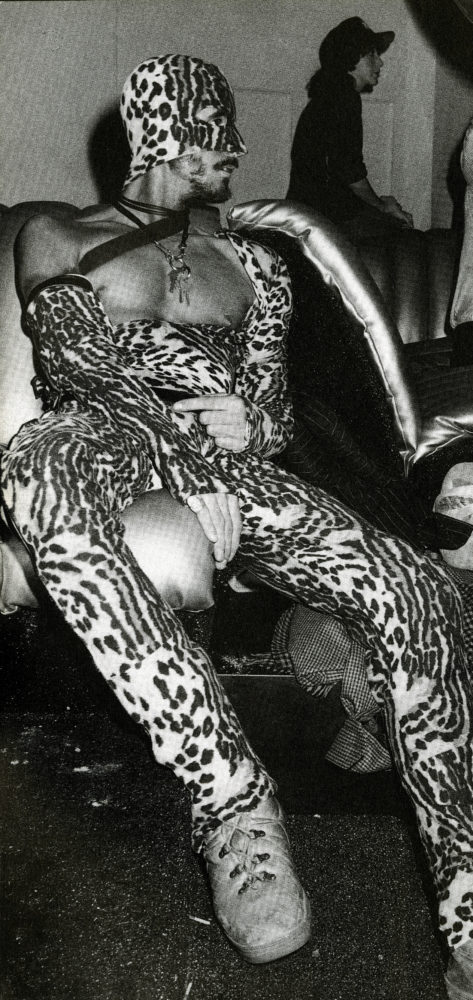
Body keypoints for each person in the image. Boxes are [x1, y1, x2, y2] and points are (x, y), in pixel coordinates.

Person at [1, 54, 473, 994]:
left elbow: (273, 408)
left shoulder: (256, 262)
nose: (239, 147)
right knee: (34, 464)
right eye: (219, 130)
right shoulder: (57, 233)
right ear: (169, 131)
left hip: (229, 468)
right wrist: (186, 462)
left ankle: (463, 885)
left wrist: (250, 431)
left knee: (415, 587)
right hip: (96, 437)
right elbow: (79, 362)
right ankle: (230, 795)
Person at [286, 17, 414, 245]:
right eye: (372, 55)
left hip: (311, 211)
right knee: (405, 233)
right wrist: (381, 206)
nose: (380, 63)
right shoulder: (344, 98)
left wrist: (379, 205)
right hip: (325, 218)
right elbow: (349, 170)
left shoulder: (331, 95)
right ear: (351, 58)